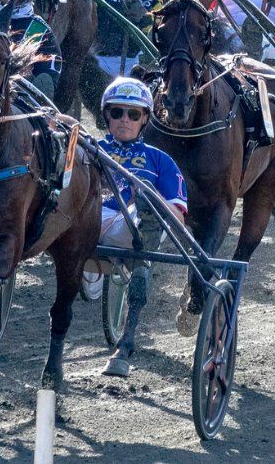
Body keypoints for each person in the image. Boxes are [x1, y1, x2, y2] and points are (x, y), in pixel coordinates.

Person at [83, 77, 187, 377]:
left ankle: (127, 338)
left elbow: (177, 217)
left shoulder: (160, 160)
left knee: (146, 210)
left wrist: (149, 200)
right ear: (106, 115)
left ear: (145, 119)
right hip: (90, 216)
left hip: (134, 225)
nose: (124, 120)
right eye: (117, 112)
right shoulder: (90, 148)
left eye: (133, 114)